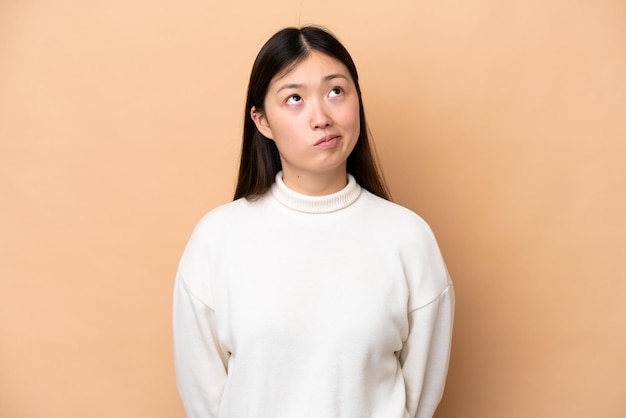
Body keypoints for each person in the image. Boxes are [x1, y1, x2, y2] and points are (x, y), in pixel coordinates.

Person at [173, 25, 454, 418]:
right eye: (294, 98)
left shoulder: (408, 238)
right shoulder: (218, 239)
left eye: (336, 91)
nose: (321, 117)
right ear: (262, 121)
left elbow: (419, 398)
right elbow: (204, 394)